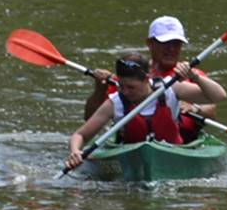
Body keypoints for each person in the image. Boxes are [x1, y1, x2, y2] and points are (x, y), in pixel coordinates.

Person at [63, 53, 217, 170]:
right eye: (122, 86)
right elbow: (80, 135)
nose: (125, 92)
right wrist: (75, 151)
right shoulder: (115, 102)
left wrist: (195, 77)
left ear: (146, 79)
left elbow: (218, 96)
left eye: (131, 87)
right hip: (131, 157)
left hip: (174, 151)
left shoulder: (170, 89)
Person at [82, 15, 226, 121]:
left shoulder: (189, 73)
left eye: (176, 43)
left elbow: (211, 107)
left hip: (181, 139)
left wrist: (195, 109)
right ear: (150, 43)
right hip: (135, 138)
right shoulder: (130, 75)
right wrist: (99, 90)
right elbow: (90, 118)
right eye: (165, 43)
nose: (171, 49)